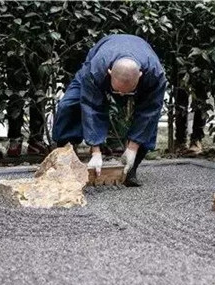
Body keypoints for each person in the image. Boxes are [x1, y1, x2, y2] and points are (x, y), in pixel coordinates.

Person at [52, 34, 167, 187]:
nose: (121, 96)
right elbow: (92, 107)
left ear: (140, 75)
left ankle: (130, 169)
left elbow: (150, 112)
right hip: (97, 67)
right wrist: (96, 152)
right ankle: (64, 163)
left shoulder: (155, 74)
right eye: (118, 91)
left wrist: (132, 149)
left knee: (149, 119)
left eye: (127, 92)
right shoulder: (96, 69)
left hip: (141, 73)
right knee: (68, 106)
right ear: (110, 72)